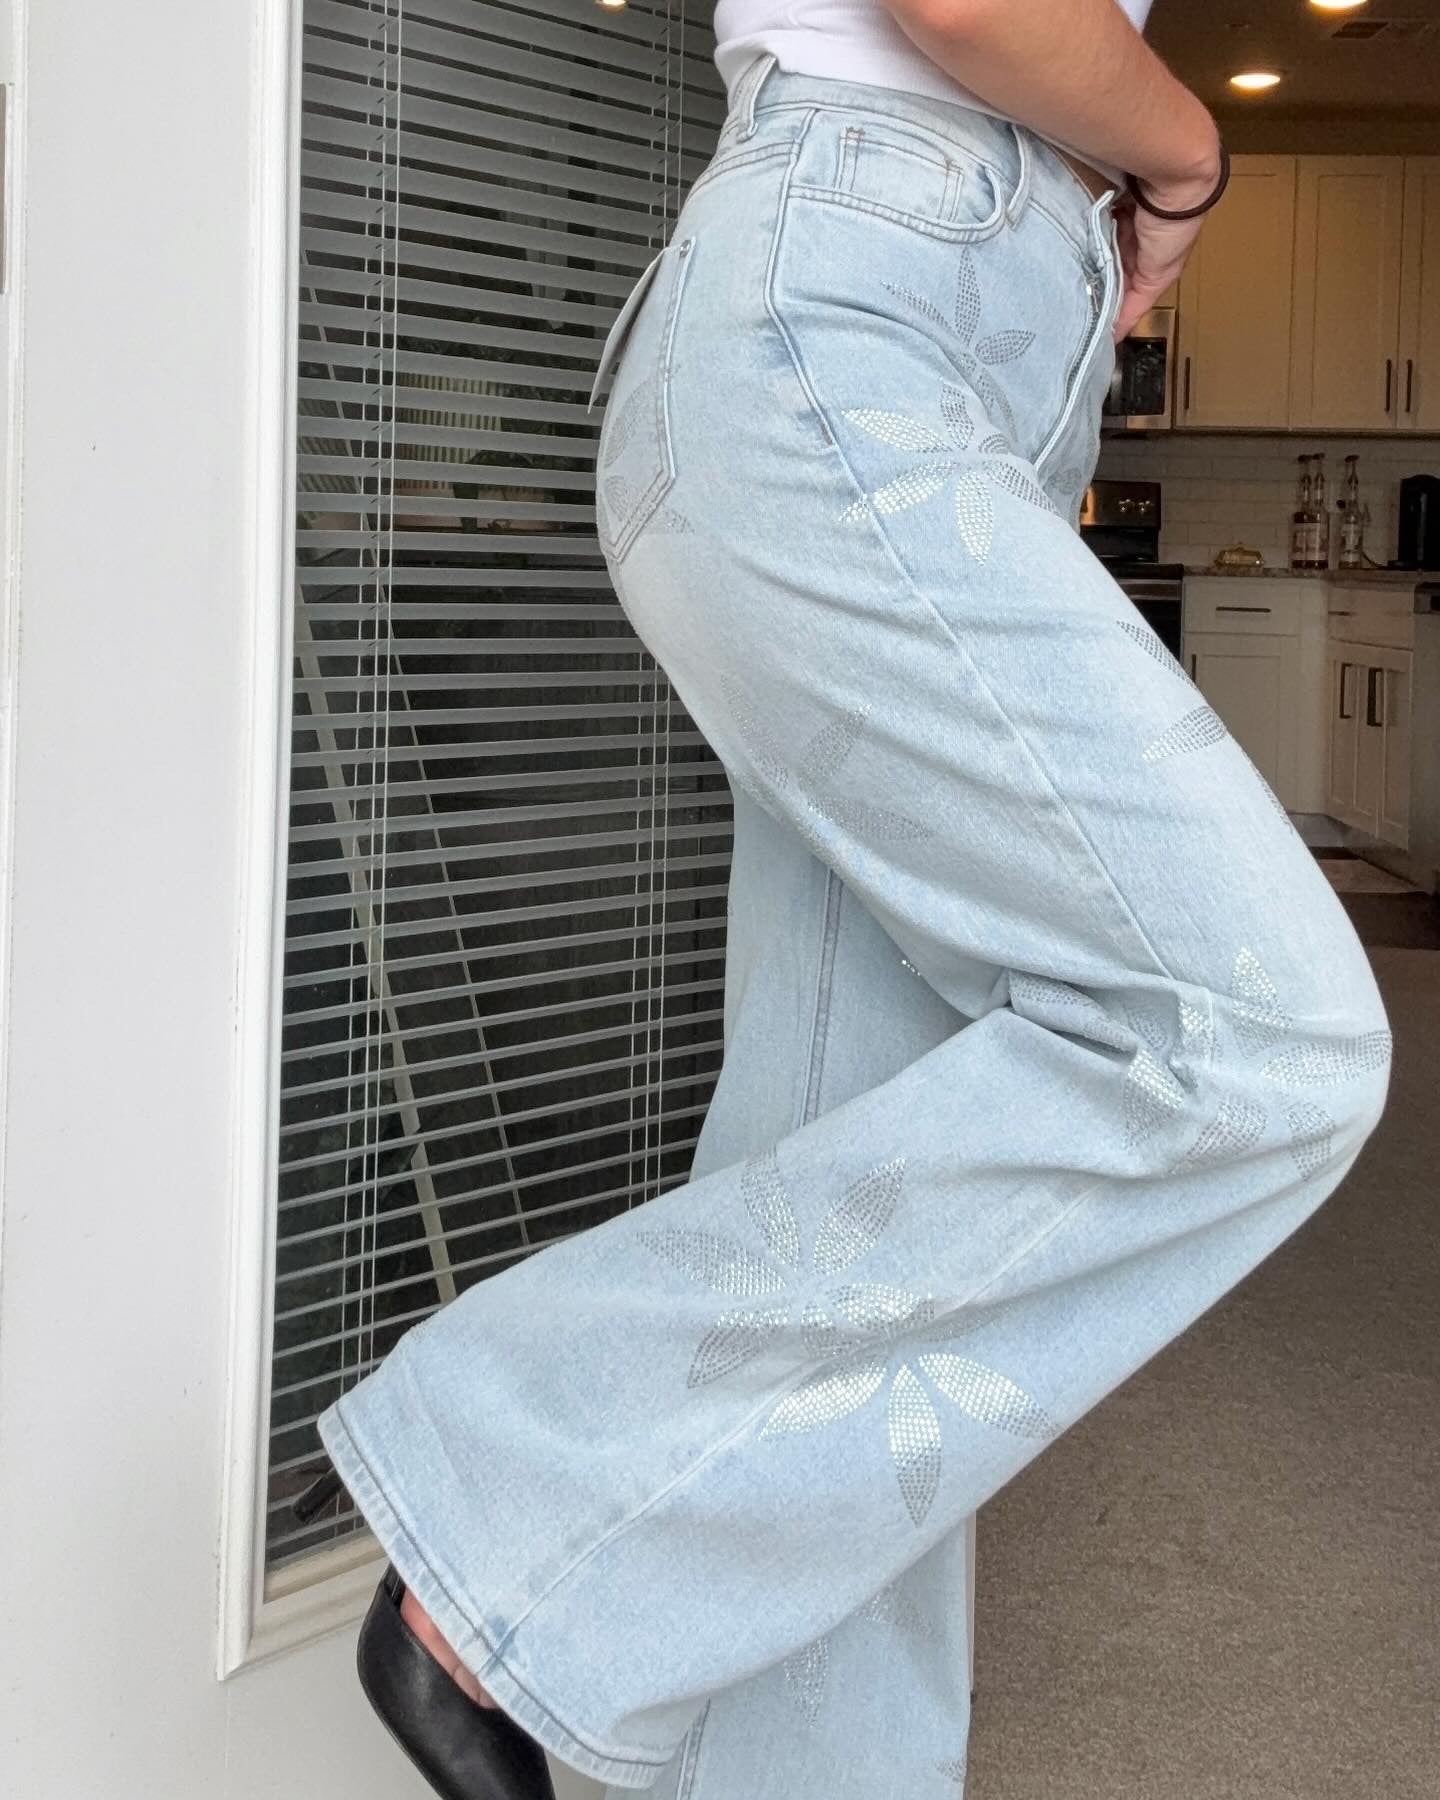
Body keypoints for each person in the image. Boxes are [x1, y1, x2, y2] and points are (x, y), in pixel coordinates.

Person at [299, 4, 1393, 1797]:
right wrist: (1187, 159)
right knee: (1254, 1032)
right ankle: (513, 1518)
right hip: (852, 320)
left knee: (848, 1211)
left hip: (925, 336)